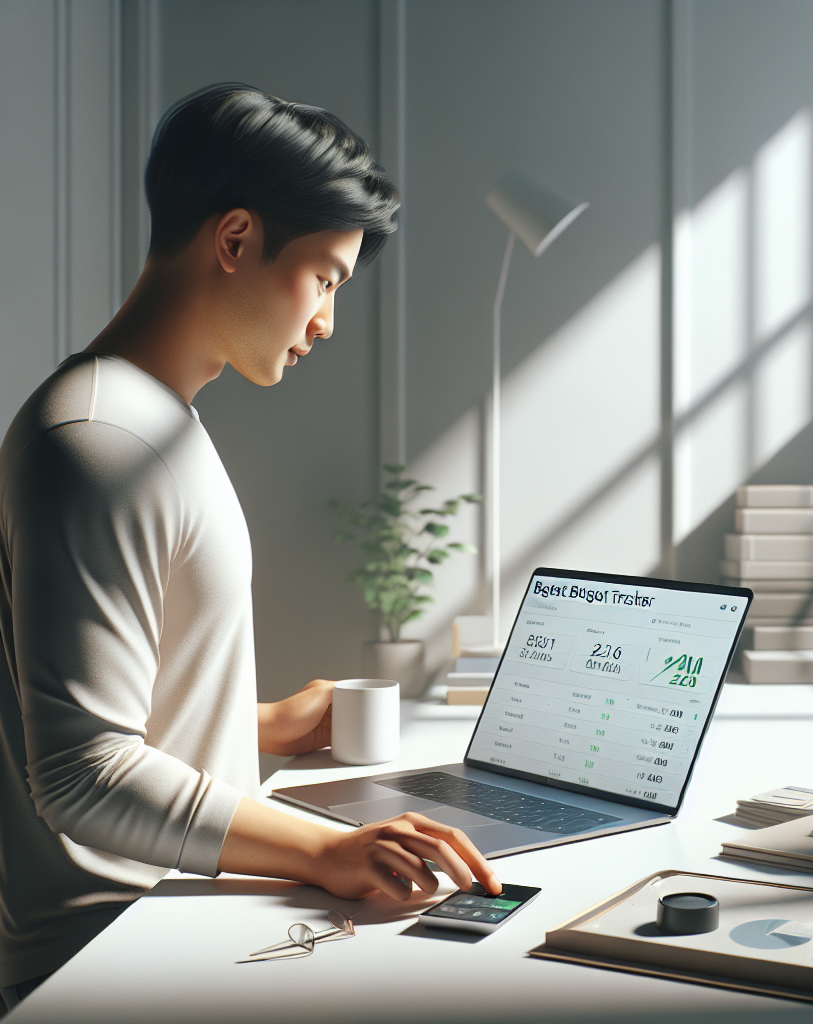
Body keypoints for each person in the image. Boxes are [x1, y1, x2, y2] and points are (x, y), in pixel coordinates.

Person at [0, 82, 500, 1009]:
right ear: (234, 241)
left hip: (183, 921)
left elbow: (101, 711)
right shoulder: (102, 441)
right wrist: (327, 848)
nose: (327, 323)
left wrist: (262, 723)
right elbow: (78, 772)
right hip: (113, 958)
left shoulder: (150, 422)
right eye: (325, 280)